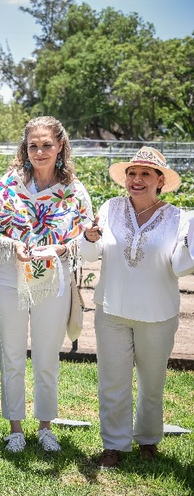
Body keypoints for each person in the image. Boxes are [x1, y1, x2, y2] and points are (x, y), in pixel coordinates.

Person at [81, 147, 194, 469]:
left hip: (158, 314)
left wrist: (190, 243)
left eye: (146, 174)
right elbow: (91, 254)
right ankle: (113, 445)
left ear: (160, 181)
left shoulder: (178, 218)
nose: (137, 179)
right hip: (112, 309)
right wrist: (88, 238)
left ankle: (147, 439)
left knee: (152, 383)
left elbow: (180, 267)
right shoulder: (110, 208)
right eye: (132, 173)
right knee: (112, 381)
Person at [0, 116, 93, 453]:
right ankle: (15, 427)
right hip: (9, 273)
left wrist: (64, 247)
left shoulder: (74, 191)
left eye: (47, 144)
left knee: (48, 353)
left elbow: (86, 233)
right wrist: (12, 244)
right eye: (33, 145)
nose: (40, 151)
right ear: (25, 147)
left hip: (53, 275)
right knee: (12, 351)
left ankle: (46, 426)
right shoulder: (6, 186)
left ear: (60, 145)